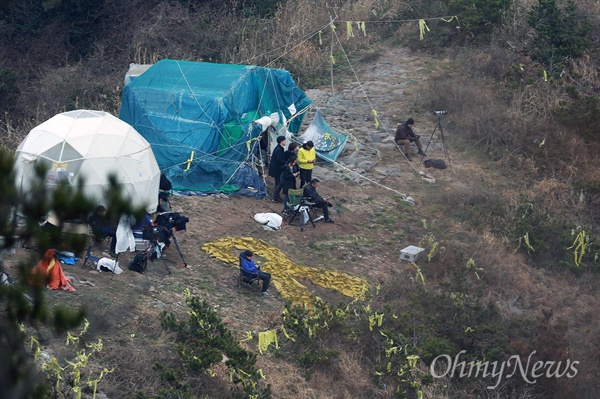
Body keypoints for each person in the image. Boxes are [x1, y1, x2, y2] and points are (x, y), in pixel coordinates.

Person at [268, 136, 287, 202]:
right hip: (277, 169)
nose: (285, 142)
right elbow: (279, 160)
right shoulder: (278, 149)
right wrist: (286, 162)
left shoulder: (280, 148)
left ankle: (277, 196)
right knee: (279, 183)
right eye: (284, 140)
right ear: (281, 141)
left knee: (278, 183)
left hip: (277, 169)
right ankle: (275, 197)